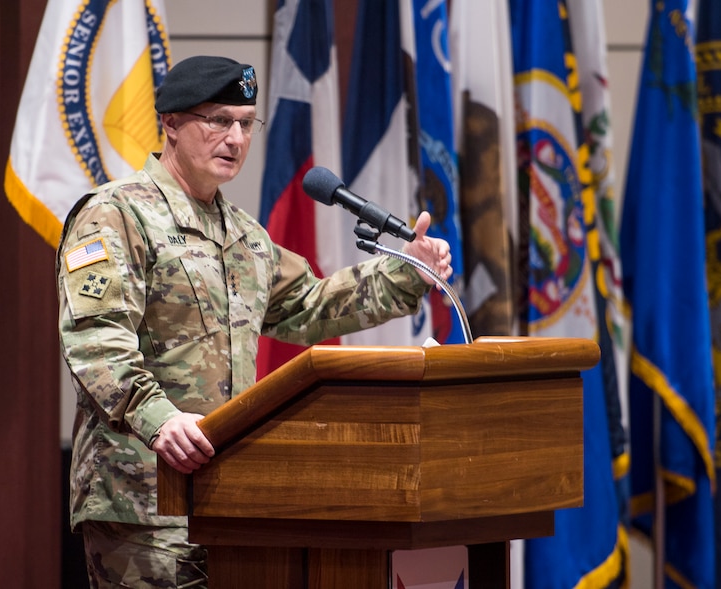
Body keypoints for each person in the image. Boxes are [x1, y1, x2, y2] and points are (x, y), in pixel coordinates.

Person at [57, 55, 453, 589]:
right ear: (170, 123)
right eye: (218, 120)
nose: (236, 139)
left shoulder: (244, 235)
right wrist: (159, 420)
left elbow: (309, 306)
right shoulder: (116, 214)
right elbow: (96, 340)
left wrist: (407, 273)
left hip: (230, 496)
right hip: (141, 497)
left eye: (246, 123)